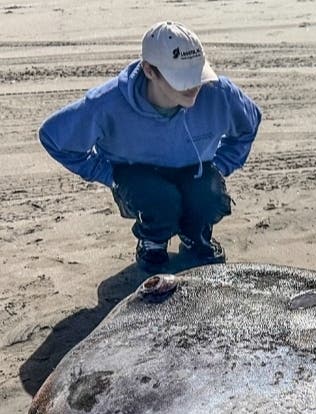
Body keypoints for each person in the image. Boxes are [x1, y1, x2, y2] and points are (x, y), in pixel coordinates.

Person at [39, 21, 261, 270]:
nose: (193, 86)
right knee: (159, 200)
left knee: (208, 196)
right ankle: (152, 241)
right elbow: (54, 137)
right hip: (138, 178)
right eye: (181, 78)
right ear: (149, 70)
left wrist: (221, 166)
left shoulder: (219, 93)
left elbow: (249, 123)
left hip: (195, 172)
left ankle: (195, 235)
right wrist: (109, 175)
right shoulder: (107, 103)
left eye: (196, 74)